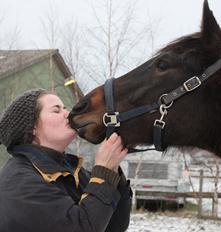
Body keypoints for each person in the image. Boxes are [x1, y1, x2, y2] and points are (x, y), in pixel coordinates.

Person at [0, 89, 132, 232]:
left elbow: (115, 226)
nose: (68, 114)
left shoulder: (73, 171)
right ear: (32, 127)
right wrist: (104, 172)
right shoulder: (19, 181)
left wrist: (113, 173)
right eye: (56, 111)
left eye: (64, 108)